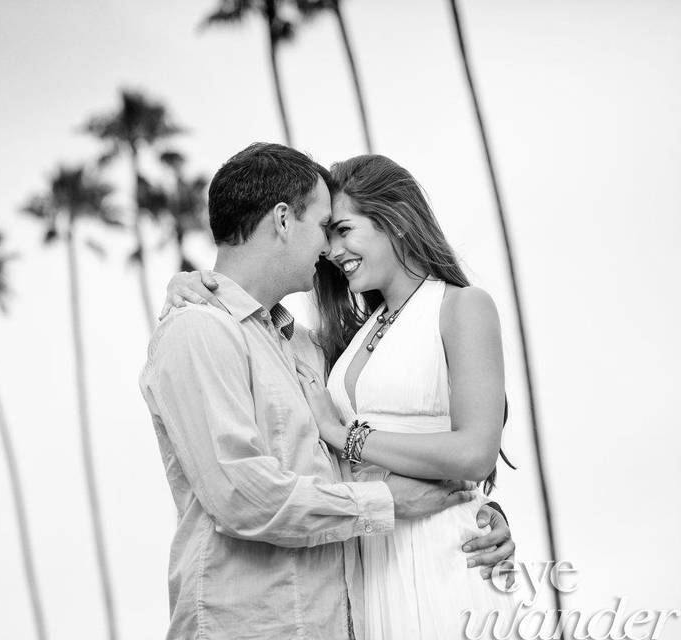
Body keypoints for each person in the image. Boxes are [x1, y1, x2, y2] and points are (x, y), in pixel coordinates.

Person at [141, 143, 515, 640]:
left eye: (341, 231)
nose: (328, 251)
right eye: (324, 228)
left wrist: (471, 511)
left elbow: (414, 430)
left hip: (353, 610)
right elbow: (240, 494)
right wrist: (386, 502)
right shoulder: (201, 331)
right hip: (250, 626)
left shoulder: (305, 348)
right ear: (281, 220)